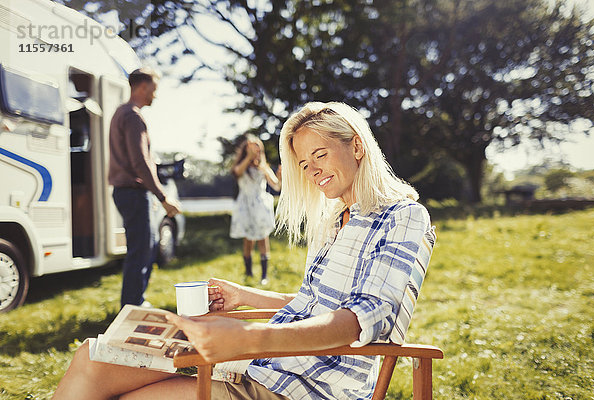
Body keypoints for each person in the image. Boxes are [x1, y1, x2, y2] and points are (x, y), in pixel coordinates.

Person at [52, 101, 432, 400]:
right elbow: (314, 303)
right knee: (92, 356)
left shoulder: (402, 216)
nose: (312, 171)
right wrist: (243, 297)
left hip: (298, 386)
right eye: (304, 163)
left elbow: (362, 320)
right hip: (259, 364)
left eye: (321, 155)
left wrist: (248, 337)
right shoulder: (336, 219)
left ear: (357, 146)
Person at [108, 67, 182, 308]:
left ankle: (134, 302)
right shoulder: (133, 116)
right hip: (132, 193)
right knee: (141, 250)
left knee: (145, 246)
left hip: (127, 193)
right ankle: (132, 306)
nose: (155, 95)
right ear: (142, 87)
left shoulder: (122, 112)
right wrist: (163, 197)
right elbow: (140, 162)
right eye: (154, 89)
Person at [229, 134, 281, 285]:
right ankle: (249, 272)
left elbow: (276, 186)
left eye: (257, 149)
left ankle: (264, 275)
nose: (255, 152)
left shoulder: (263, 168)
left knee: (263, 238)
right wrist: (248, 158)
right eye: (251, 149)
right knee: (248, 240)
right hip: (245, 207)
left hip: (260, 206)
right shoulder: (242, 167)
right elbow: (237, 172)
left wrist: (280, 177)